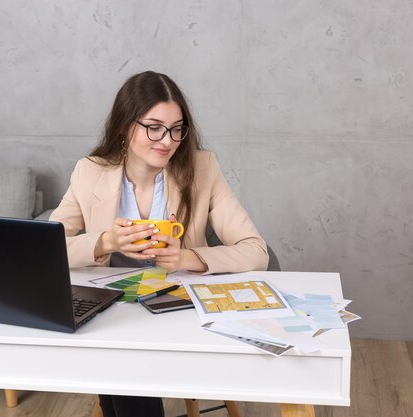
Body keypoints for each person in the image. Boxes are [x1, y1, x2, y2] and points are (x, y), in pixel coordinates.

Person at [50, 71, 269, 417]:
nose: (166, 140)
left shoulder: (202, 168)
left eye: (176, 128)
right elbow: (49, 248)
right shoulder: (88, 171)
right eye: (154, 127)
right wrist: (106, 241)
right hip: (114, 315)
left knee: (120, 364)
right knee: (118, 356)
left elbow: (256, 250)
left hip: (175, 313)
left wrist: (187, 257)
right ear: (125, 125)